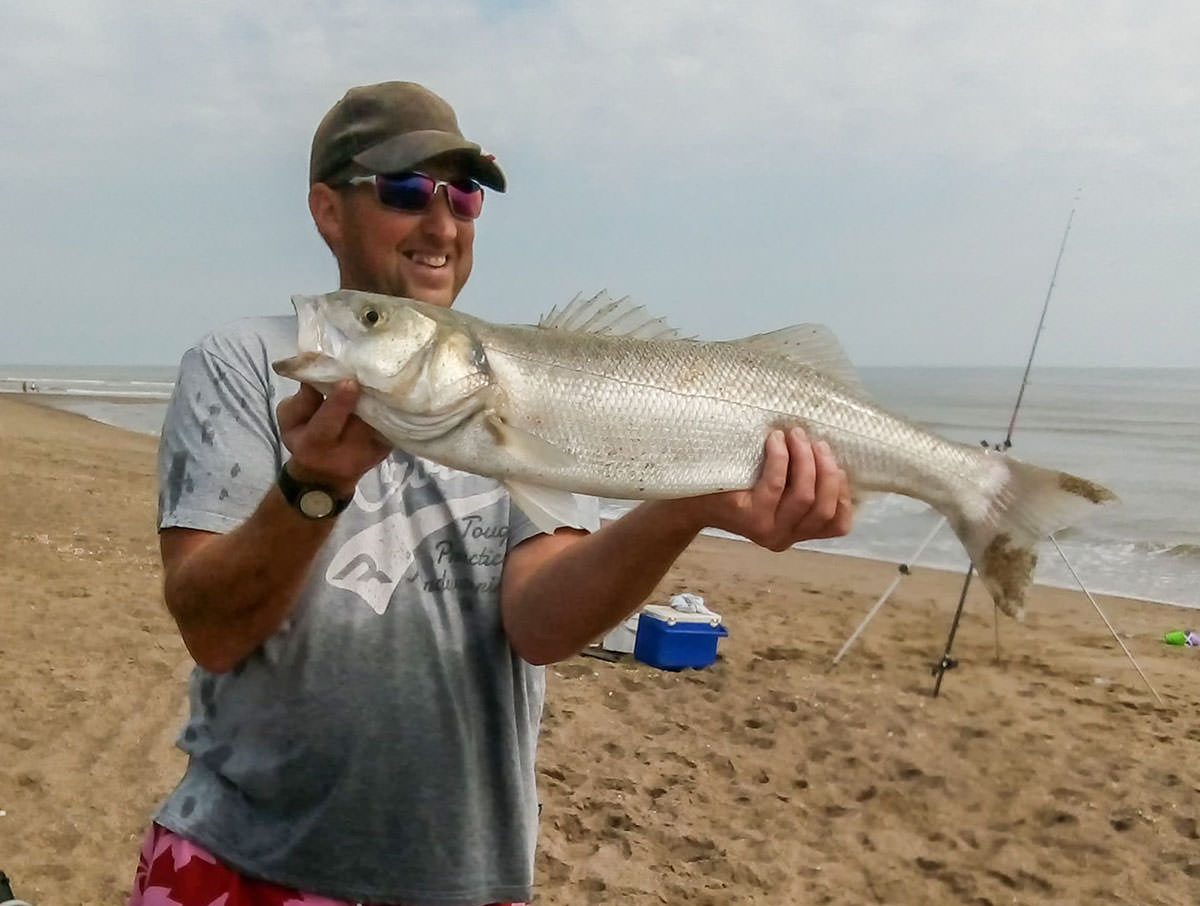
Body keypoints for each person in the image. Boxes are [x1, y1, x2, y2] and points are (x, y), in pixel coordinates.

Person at [130, 80, 854, 906]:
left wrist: (687, 505)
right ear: (328, 212)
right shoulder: (241, 363)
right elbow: (212, 630)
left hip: (464, 878)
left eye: (464, 197)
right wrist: (314, 486)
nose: (442, 224)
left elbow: (540, 626)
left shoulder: (522, 382)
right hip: (240, 862)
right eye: (405, 191)